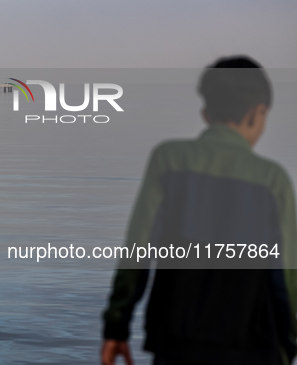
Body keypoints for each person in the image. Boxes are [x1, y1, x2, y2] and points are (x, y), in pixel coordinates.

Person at [100, 56, 297, 365]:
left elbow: (137, 252)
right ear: (258, 113)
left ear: (205, 112)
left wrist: (116, 325)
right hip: (254, 347)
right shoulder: (274, 180)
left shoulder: (168, 160)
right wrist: (290, 344)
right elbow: (285, 279)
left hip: (177, 343)